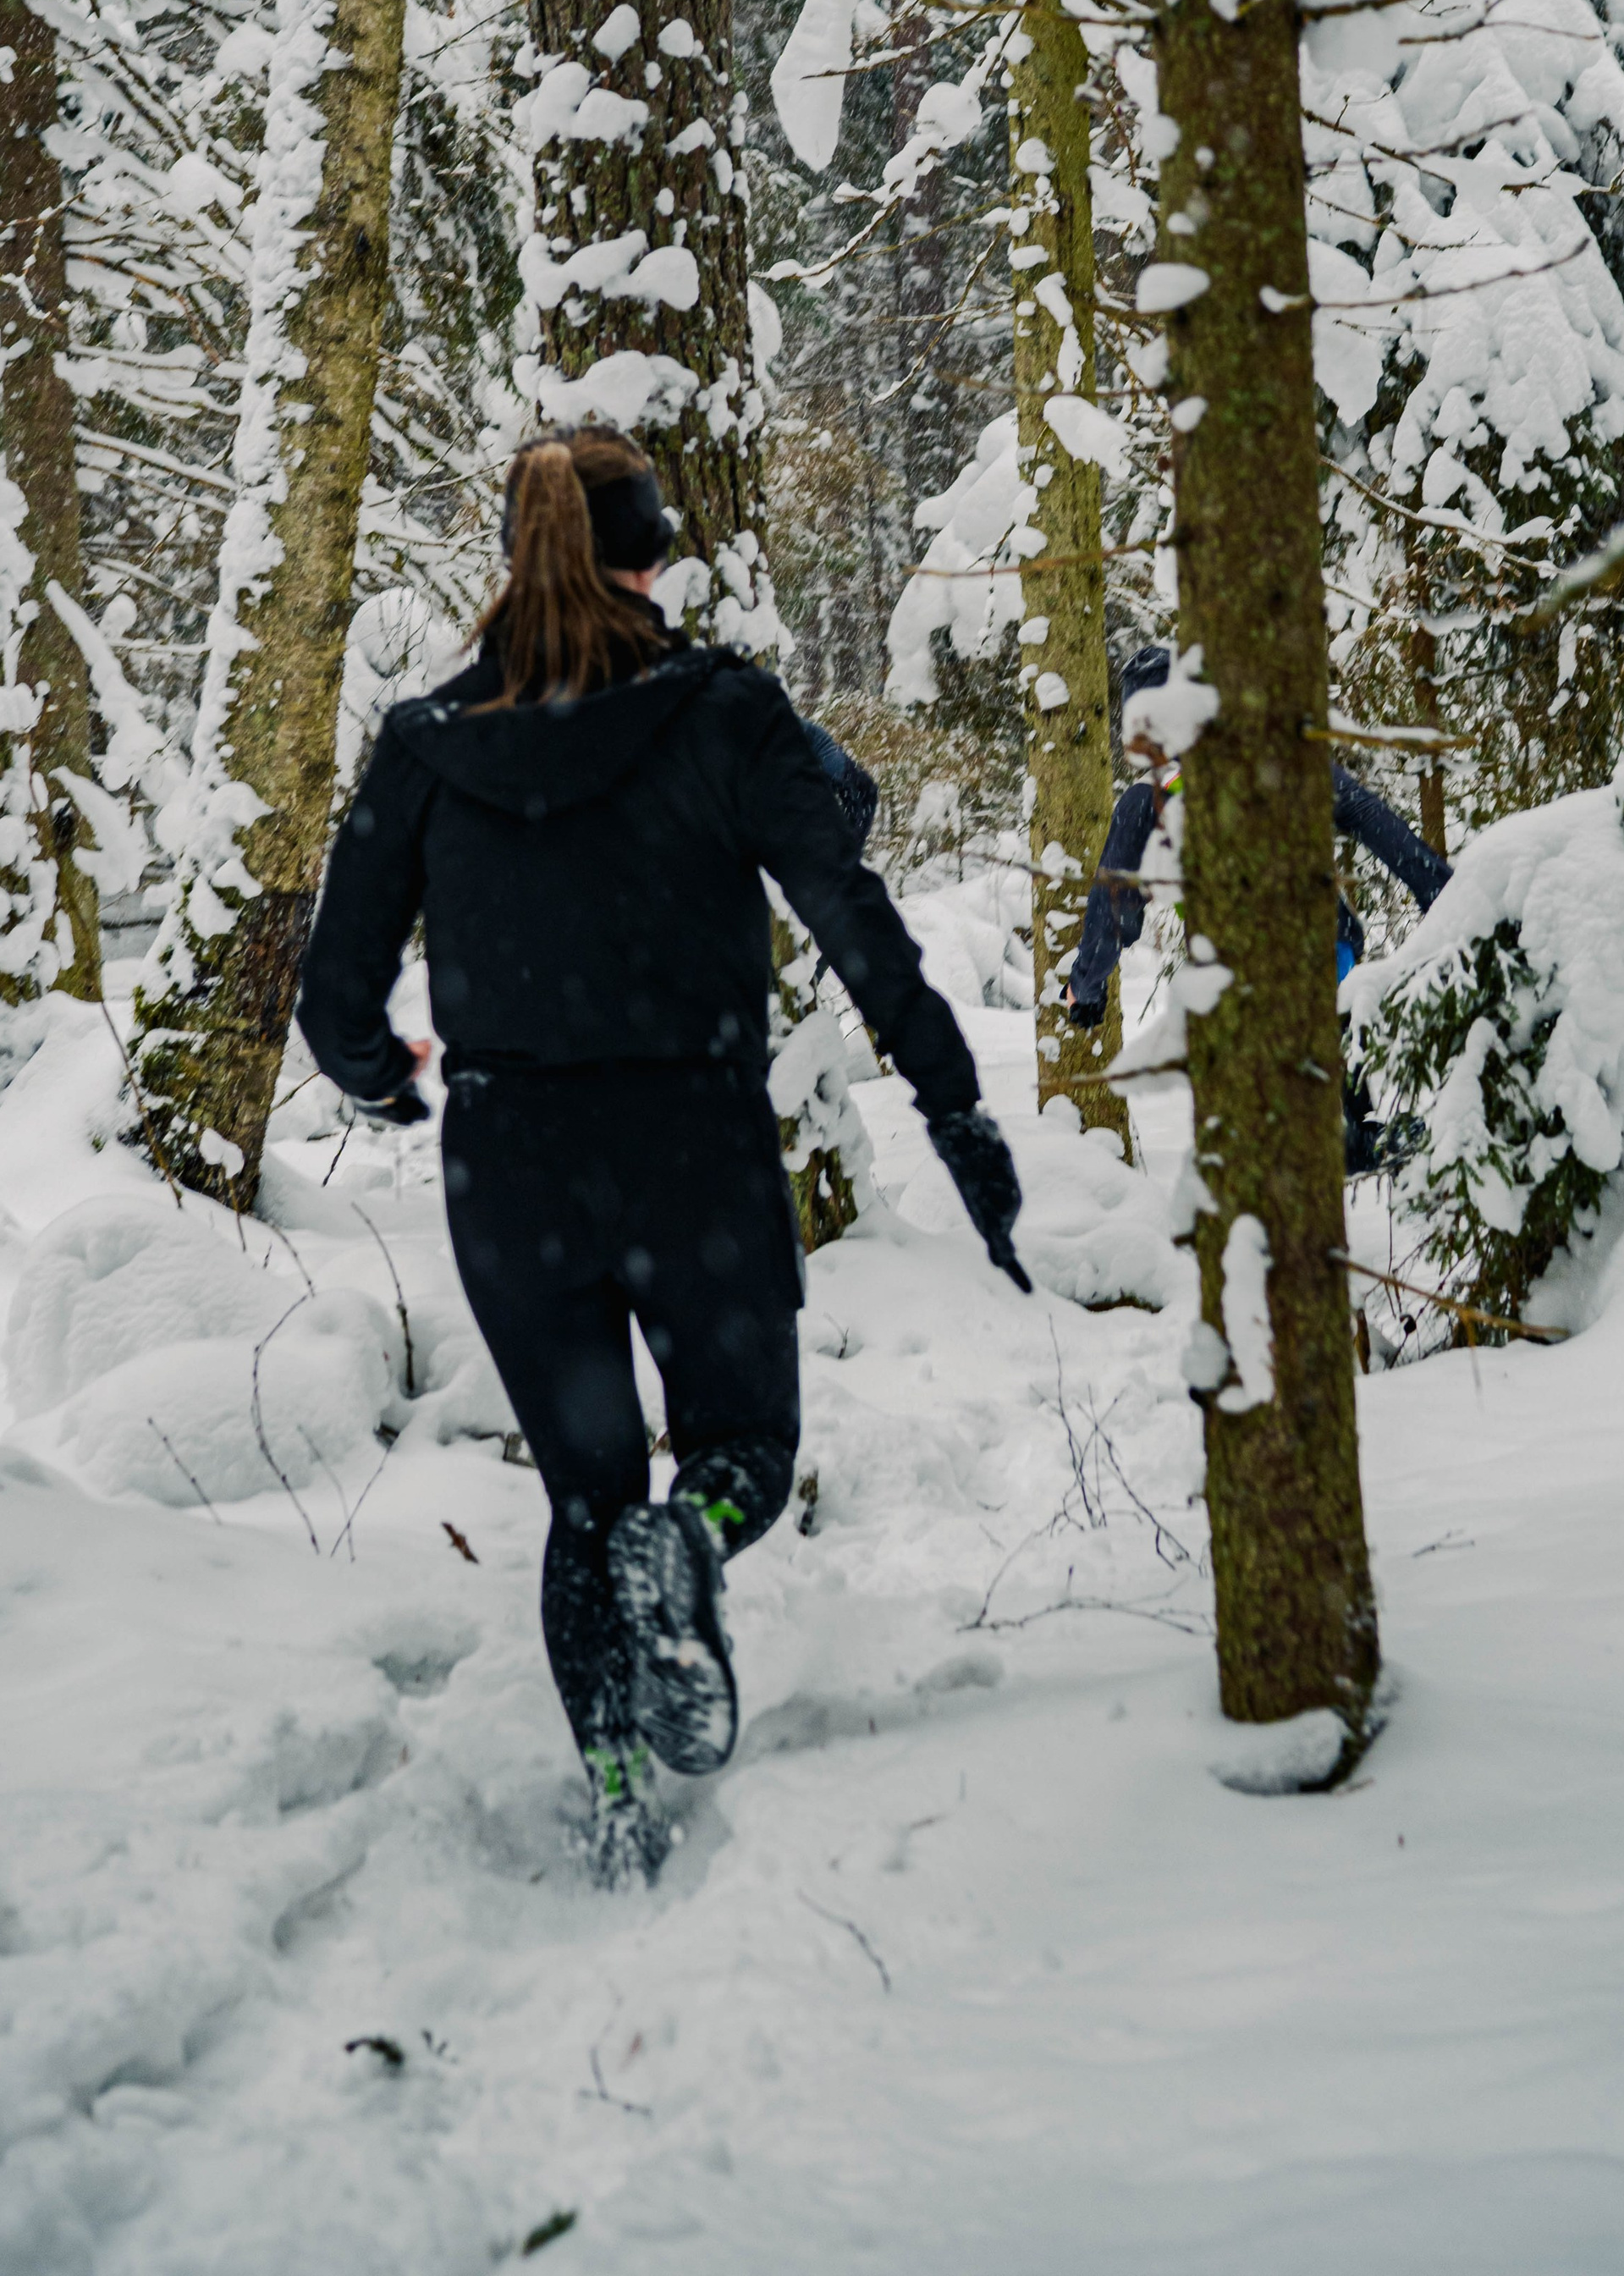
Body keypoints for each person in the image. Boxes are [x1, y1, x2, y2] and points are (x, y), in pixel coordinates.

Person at [296, 428, 1028, 1883]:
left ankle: (621, 1791)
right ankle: (691, 1542)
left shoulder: (427, 742)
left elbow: (332, 999)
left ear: (519, 555)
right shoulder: (723, 712)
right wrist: (954, 1104)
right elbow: (856, 917)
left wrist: (387, 1082)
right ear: (652, 556)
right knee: (742, 1447)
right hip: (692, 1138)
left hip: (511, 1157)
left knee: (584, 1498)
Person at [1063, 646, 1451, 1169]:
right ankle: (1360, 1135)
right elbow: (1365, 813)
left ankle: (1340, 1145)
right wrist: (1440, 890)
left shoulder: (1146, 799)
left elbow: (1114, 908)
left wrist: (1086, 989)